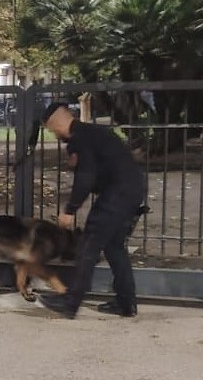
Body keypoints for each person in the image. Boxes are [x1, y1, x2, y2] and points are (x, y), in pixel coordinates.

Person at [36, 102, 146, 318]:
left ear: (56, 122)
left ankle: (70, 303)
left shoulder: (81, 138)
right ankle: (126, 303)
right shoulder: (92, 134)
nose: (53, 133)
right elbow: (99, 171)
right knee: (114, 248)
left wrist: (70, 209)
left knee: (88, 245)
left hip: (117, 195)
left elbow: (86, 177)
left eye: (51, 129)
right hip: (131, 191)